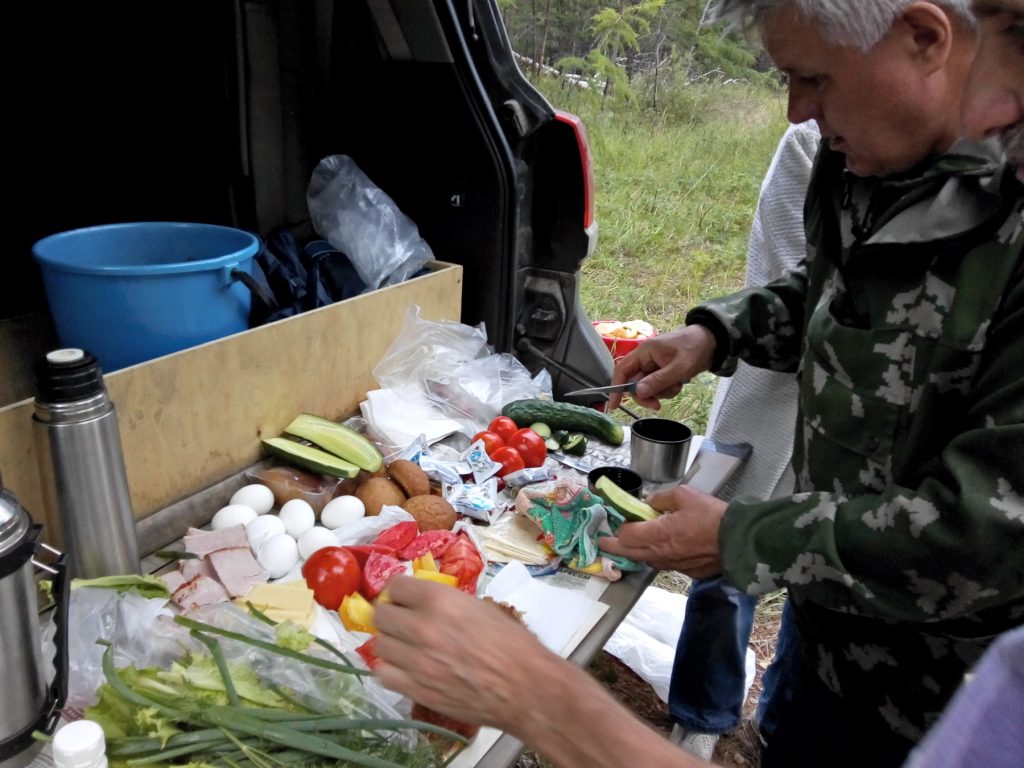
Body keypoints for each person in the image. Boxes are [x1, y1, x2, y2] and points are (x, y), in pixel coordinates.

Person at [372, 1, 1024, 766]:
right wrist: (718, 333)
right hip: (829, 641)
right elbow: (837, 293)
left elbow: (984, 535)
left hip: (948, 698)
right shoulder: (862, 160)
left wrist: (742, 538)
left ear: (923, 38)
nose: (798, 110)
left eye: (814, 78)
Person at [667, 120, 819, 760]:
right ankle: (705, 710)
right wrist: (713, 335)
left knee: (824, 578)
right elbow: (801, 279)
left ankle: (789, 713)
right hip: (772, 390)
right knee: (726, 544)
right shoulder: (817, 140)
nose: (795, 103)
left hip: (881, 437)